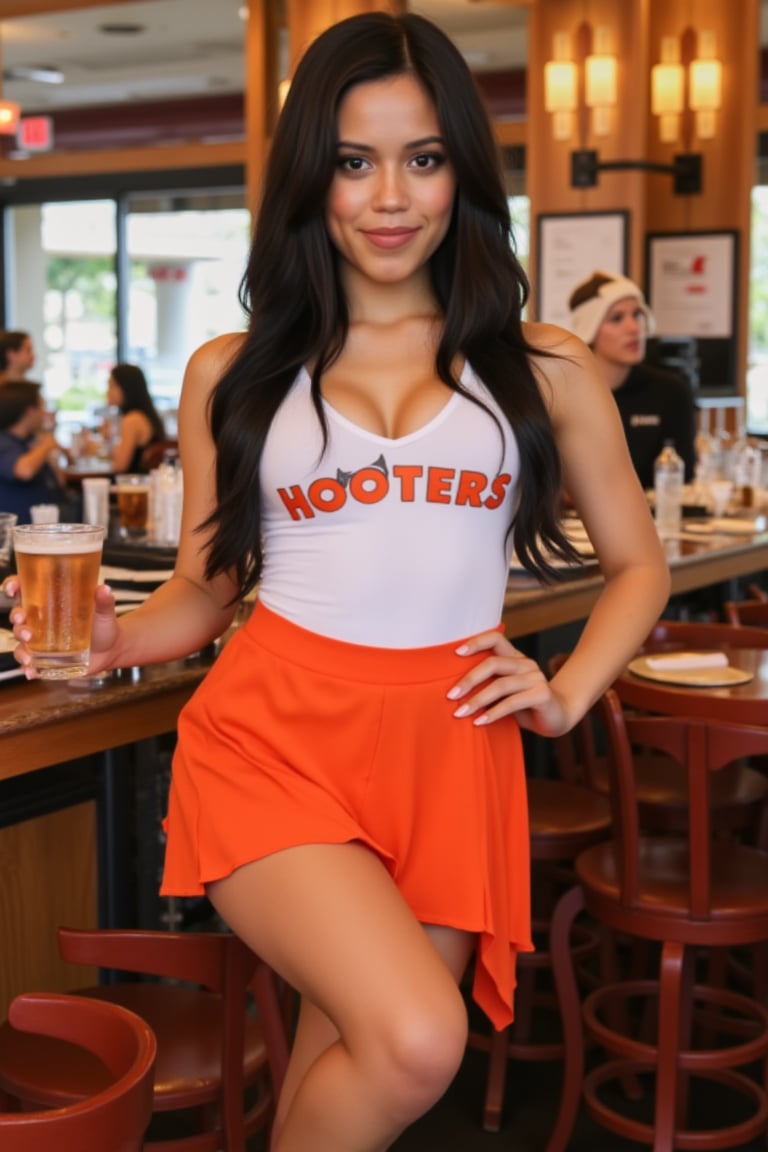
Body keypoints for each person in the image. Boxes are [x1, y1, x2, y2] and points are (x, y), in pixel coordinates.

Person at [8, 13, 670, 1151]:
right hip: (273, 738)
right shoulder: (237, 369)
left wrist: (563, 692)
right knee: (418, 1038)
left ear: (462, 167)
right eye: (355, 162)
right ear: (314, 175)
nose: (389, 196)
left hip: (452, 746)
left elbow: (638, 565)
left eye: (422, 158)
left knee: (350, 1063)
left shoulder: (544, 366)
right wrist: (116, 639)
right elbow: (208, 590)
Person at [566, 271, 697, 489]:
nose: (634, 328)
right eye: (617, 318)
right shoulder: (563, 395)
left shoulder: (671, 391)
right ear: (588, 328)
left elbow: (683, 476)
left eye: (637, 315)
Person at [0, 379, 77, 524]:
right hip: (18, 534)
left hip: (45, 528)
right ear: (30, 411)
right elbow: (24, 471)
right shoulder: (3, 441)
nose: (44, 414)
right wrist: (47, 444)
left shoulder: (27, 443)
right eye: (42, 408)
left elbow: (59, 485)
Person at [105, 362, 166, 473]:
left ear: (127, 388)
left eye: (112, 386)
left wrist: (108, 440)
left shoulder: (132, 420)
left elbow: (120, 466)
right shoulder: (146, 415)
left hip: (132, 486)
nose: (107, 392)